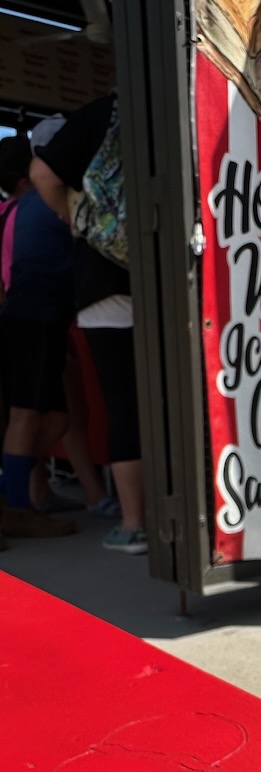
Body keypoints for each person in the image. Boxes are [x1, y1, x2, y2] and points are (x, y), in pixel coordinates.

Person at [31, 93, 147, 554]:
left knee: (123, 402)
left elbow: (43, 173)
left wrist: (69, 214)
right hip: (166, 274)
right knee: (172, 397)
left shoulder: (98, 115)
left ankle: (134, 522)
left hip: (103, 279)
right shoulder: (178, 101)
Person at [0, 132, 78, 542]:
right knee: (26, 415)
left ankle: (12, 493)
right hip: (38, 315)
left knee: (55, 417)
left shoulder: (26, 204)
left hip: (29, 314)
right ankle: (14, 507)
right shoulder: (53, 198)